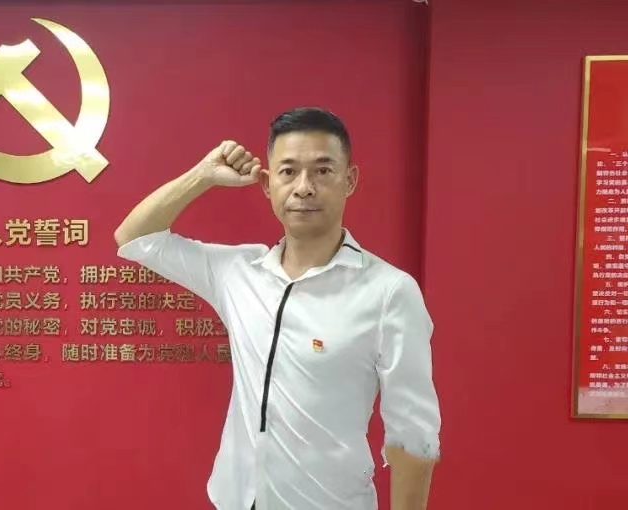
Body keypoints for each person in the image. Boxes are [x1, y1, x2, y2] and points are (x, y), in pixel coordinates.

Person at [113, 107, 441, 510]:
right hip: (235, 500)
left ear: (350, 180)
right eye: (288, 172)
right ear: (267, 184)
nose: (304, 188)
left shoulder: (388, 291)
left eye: (323, 171)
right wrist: (203, 175)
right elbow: (134, 238)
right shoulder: (238, 272)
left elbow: (413, 434)